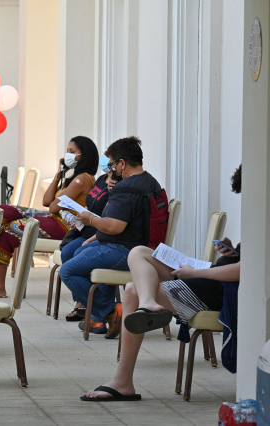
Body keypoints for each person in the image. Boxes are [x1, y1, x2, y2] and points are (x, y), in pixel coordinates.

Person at [81, 165, 242, 402]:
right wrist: (233, 252)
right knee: (139, 252)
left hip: (218, 290)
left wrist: (197, 273)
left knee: (132, 290)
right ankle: (148, 305)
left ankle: (123, 381)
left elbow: (249, 271)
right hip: (211, 280)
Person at [60, 136, 163, 340]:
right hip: (142, 249)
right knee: (79, 251)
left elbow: (114, 226)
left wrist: (90, 220)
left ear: (122, 163)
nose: (113, 168)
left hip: (127, 250)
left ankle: (110, 311)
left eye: (113, 164)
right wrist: (98, 235)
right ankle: (106, 315)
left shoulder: (127, 188)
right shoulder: (150, 181)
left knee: (68, 270)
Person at [0, 136, 99, 298]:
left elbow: (54, 206)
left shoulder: (82, 179)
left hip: (66, 225)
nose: (67, 155)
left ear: (84, 156)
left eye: (72, 152)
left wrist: (59, 197)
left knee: (11, 229)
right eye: (67, 151)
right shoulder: (72, 178)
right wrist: (59, 173)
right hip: (54, 217)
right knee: (4, 210)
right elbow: (47, 201)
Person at [61, 156, 117, 322]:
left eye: (111, 158)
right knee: (67, 252)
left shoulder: (119, 185)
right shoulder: (100, 179)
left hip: (101, 233)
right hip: (86, 229)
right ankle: (82, 301)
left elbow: (111, 218)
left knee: (78, 253)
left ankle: (100, 309)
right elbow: (91, 204)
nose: (107, 161)